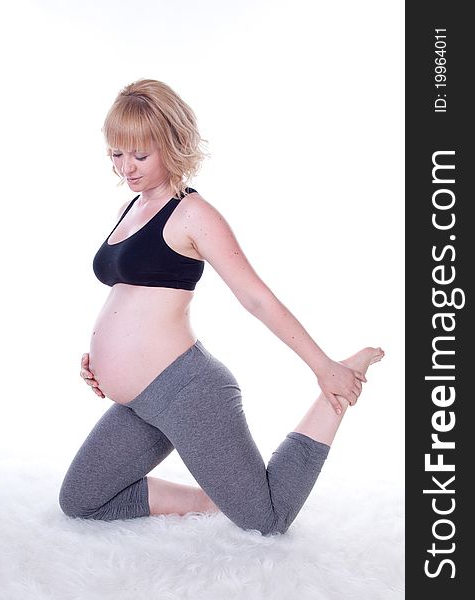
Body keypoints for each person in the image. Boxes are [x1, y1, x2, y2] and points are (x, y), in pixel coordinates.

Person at [59, 79, 384, 535]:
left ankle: (335, 397)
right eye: (116, 153)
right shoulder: (134, 205)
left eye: (139, 154)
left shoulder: (192, 213)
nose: (126, 167)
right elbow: (131, 298)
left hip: (186, 392)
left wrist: (322, 366)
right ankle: (210, 499)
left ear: (170, 144)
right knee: (81, 500)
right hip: (139, 401)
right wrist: (107, 362)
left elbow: (254, 296)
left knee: (266, 520)